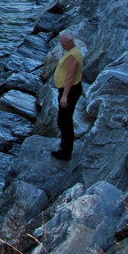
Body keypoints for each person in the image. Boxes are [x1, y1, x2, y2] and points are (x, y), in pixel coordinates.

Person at [52, 31, 84, 161]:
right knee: (63, 120)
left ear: (71, 42)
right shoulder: (72, 51)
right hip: (69, 90)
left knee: (65, 121)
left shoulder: (72, 56)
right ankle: (64, 146)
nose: (61, 45)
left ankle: (65, 152)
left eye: (63, 43)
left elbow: (70, 77)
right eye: (61, 42)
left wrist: (64, 96)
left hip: (69, 91)